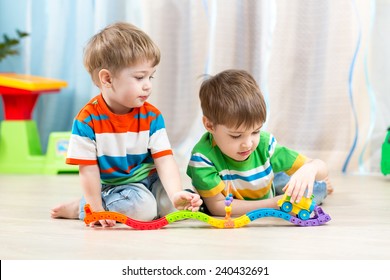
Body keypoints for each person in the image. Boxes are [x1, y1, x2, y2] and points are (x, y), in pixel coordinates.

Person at [51, 22, 202, 227]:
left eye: (151, 76)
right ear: (107, 79)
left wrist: (176, 193)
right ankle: (82, 207)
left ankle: (153, 202)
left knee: (178, 207)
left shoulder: (152, 117)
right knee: (143, 209)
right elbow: (88, 169)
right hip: (118, 186)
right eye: (140, 77)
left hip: (151, 180)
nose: (148, 85)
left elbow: (165, 160)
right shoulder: (87, 120)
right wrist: (96, 210)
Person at [186, 69, 333, 216]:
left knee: (311, 187)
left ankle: (318, 185)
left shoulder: (265, 144)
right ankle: (281, 179)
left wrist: (311, 168)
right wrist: (273, 204)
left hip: (263, 182)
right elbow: (217, 207)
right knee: (288, 188)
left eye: (255, 131)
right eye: (236, 136)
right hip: (253, 195)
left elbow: (321, 167)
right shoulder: (202, 158)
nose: (248, 144)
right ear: (210, 125)